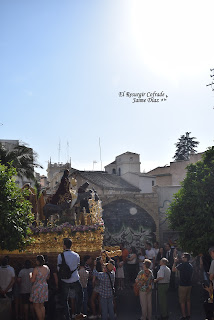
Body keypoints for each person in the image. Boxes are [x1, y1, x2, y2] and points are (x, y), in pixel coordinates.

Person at [57, 238, 85, 320]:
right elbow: (78, 266)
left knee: (65, 299)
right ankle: (77, 312)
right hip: (75, 278)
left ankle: (67, 316)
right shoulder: (76, 255)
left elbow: (58, 269)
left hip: (65, 280)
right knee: (80, 295)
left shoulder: (60, 255)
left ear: (64, 246)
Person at [172, 252, 193, 320]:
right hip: (189, 284)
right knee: (188, 300)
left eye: (183, 257)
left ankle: (184, 316)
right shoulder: (190, 265)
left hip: (182, 285)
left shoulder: (182, 265)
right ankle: (189, 315)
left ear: (186, 258)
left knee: (182, 301)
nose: (181, 258)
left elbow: (173, 269)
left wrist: (175, 262)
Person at [30, 255, 50, 320]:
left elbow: (32, 280)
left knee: (36, 306)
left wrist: (30, 275)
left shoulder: (36, 269)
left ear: (37, 261)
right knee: (42, 305)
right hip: (44, 286)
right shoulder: (47, 268)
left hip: (37, 286)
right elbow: (48, 277)